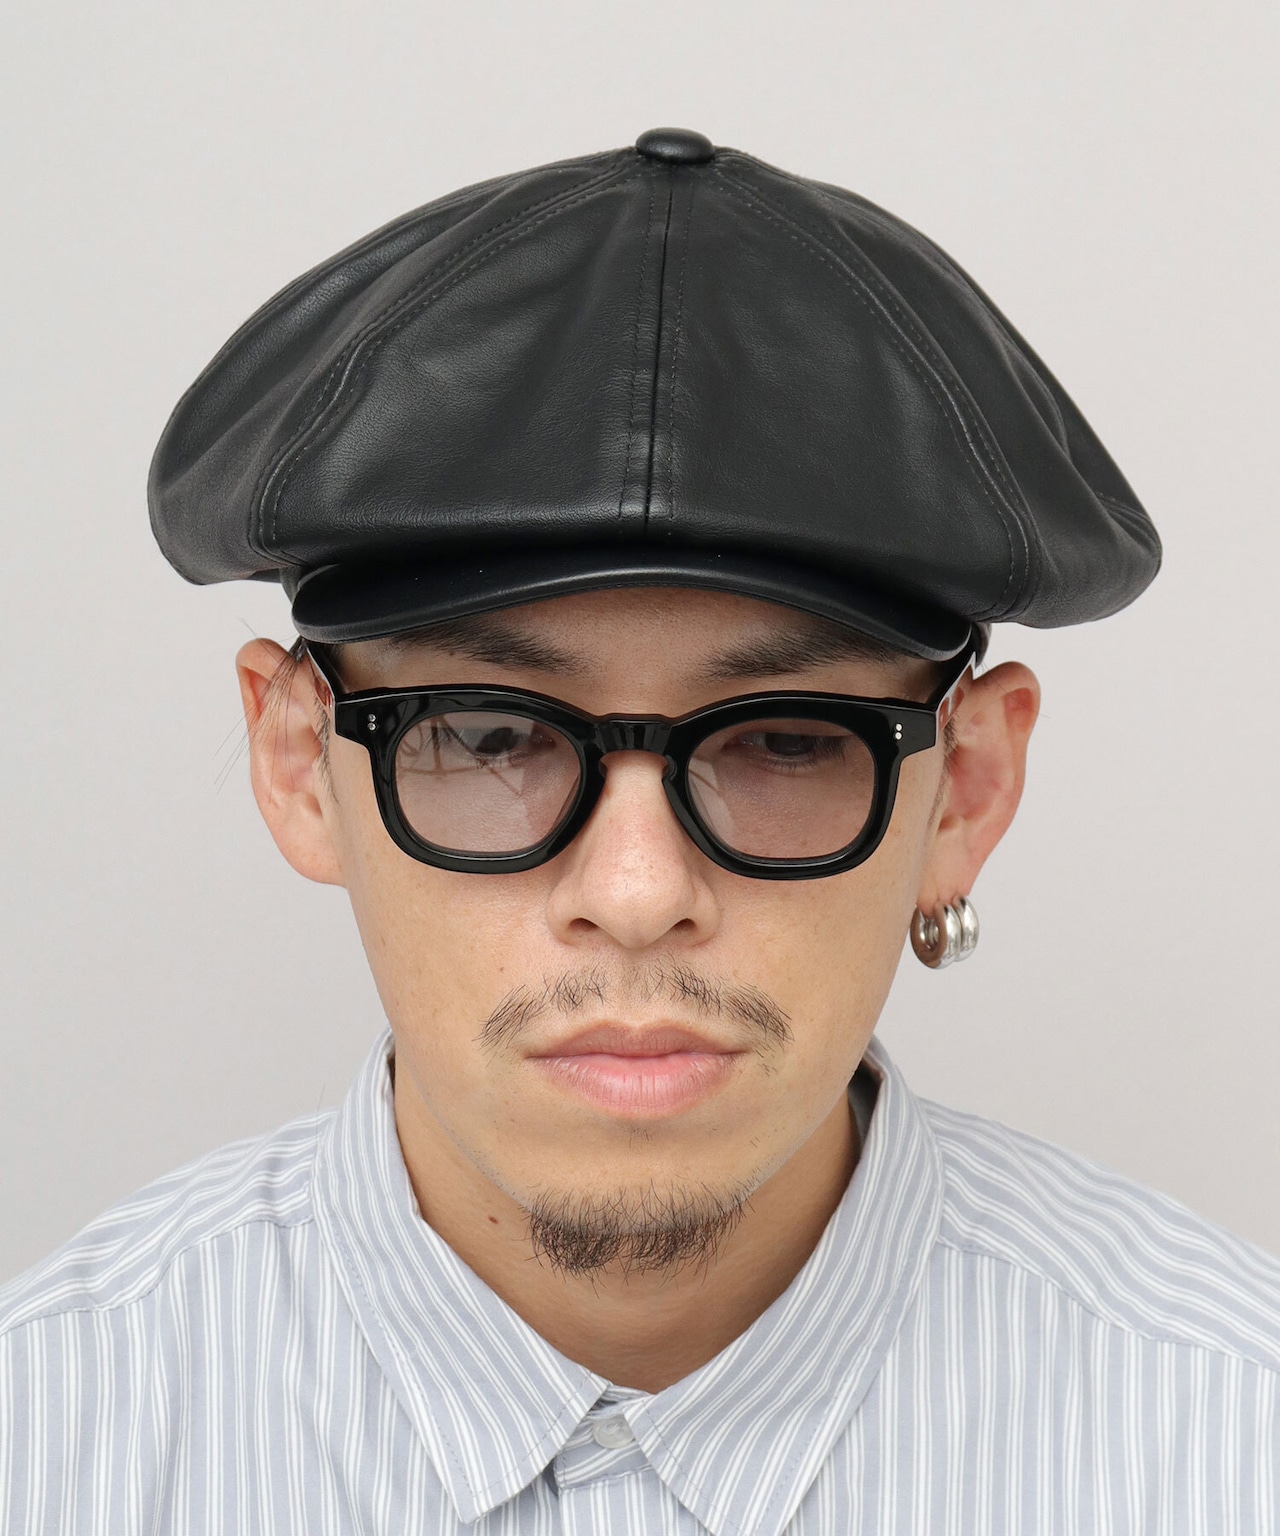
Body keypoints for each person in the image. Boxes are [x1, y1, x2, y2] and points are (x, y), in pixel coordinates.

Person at [2, 127, 1277, 1534]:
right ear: (301, 762)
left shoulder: (1231, 1441)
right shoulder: (47, 1441)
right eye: (492, 736)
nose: (634, 889)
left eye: (786, 741)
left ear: (964, 793)